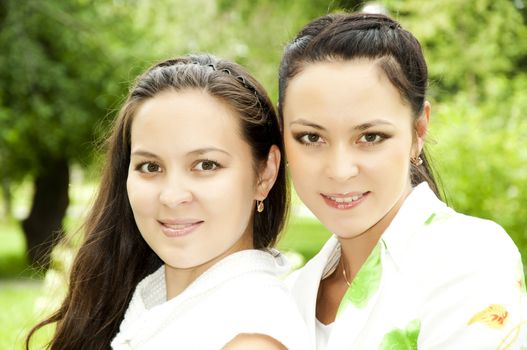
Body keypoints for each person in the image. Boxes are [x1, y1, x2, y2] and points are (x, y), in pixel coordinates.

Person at [26, 54, 310, 349]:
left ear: (264, 174)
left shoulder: (250, 336)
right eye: (150, 167)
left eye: (206, 165)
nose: (172, 196)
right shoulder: (144, 300)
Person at [278, 12, 527, 349]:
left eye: (370, 137)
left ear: (418, 131)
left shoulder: (469, 257)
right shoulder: (290, 294)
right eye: (310, 137)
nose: (339, 170)